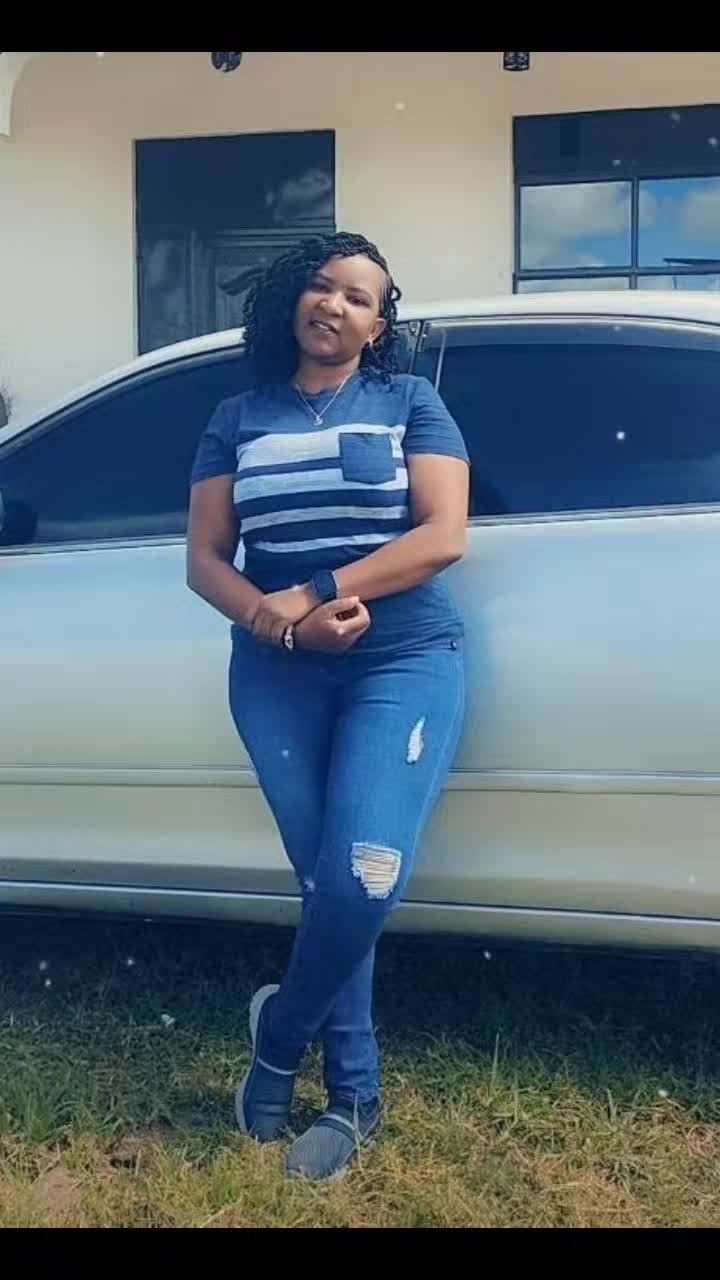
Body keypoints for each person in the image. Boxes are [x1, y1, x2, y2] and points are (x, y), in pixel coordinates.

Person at [187, 231, 469, 1181]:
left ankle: (278, 1041)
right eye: (321, 286)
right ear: (292, 300)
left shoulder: (410, 402)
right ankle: (355, 1094)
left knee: (362, 879)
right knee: (324, 883)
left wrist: (315, 590)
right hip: (277, 670)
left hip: (403, 659)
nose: (334, 305)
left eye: (358, 297)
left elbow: (442, 536)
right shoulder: (238, 415)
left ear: (378, 326)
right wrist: (280, 627)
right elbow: (205, 560)